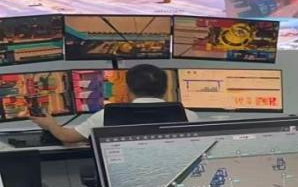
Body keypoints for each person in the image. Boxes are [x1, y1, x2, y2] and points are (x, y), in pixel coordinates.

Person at [31, 64, 198, 143]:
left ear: (128, 89)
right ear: (166, 89)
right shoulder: (189, 116)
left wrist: (50, 124)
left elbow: (67, 137)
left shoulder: (107, 115)